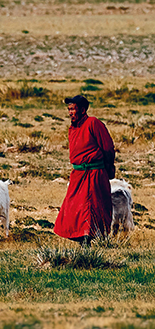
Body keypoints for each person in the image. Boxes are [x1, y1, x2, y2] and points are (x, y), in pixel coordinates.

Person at [54, 95, 116, 246]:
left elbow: (108, 148)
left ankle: (88, 241)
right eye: (68, 109)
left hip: (94, 173)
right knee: (74, 208)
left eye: (72, 109)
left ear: (82, 110)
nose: (70, 113)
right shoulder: (73, 128)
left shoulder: (93, 123)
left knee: (92, 207)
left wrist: (108, 169)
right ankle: (82, 239)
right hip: (78, 175)